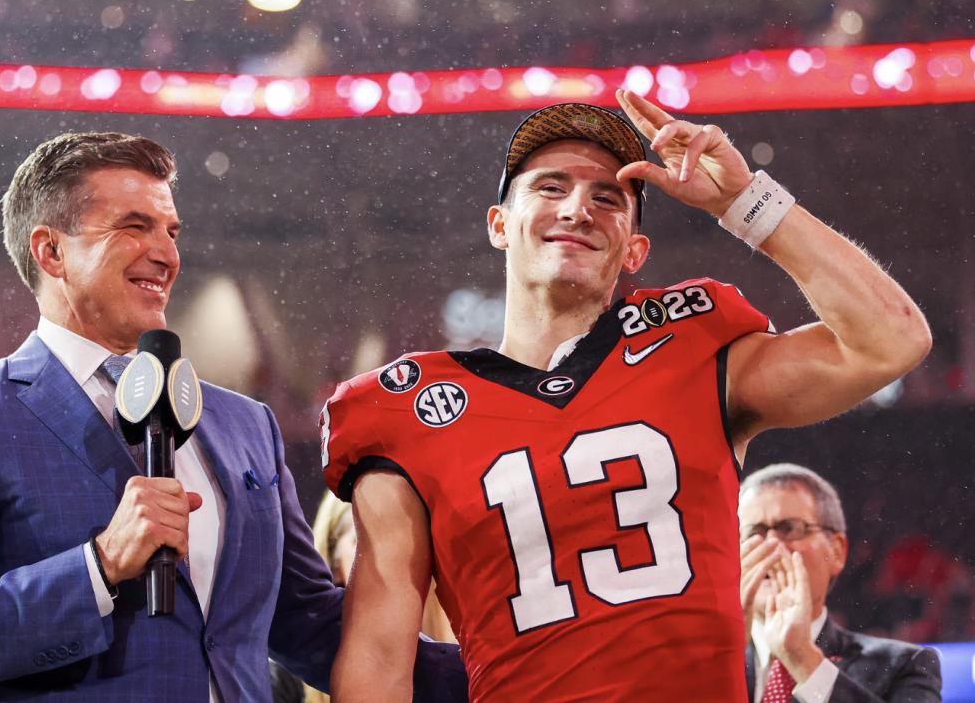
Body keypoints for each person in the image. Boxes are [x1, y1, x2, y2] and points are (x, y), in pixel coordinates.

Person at [321, 91, 932, 702]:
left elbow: (891, 340)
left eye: (607, 198)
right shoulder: (405, 411)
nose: (578, 209)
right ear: (500, 225)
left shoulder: (693, 350)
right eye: (551, 188)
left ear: (635, 250)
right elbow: (378, 656)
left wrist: (747, 204)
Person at [0, 133, 466, 702]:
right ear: (51, 251)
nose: (167, 254)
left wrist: (508, 673)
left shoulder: (244, 424)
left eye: (171, 231)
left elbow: (308, 623)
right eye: (134, 227)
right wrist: (97, 566)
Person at [739, 463, 942, 702]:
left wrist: (803, 660)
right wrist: (721, 656)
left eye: (790, 528)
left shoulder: (903, 666)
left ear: (836, 551)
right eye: (753, 533)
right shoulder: (702, 661)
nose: (771, 544)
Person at [304, 492, 456, 703]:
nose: (391, 554)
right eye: (363, 541)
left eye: (406, 538)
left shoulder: (467, 648)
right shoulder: (285, 680)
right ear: (335, 562)